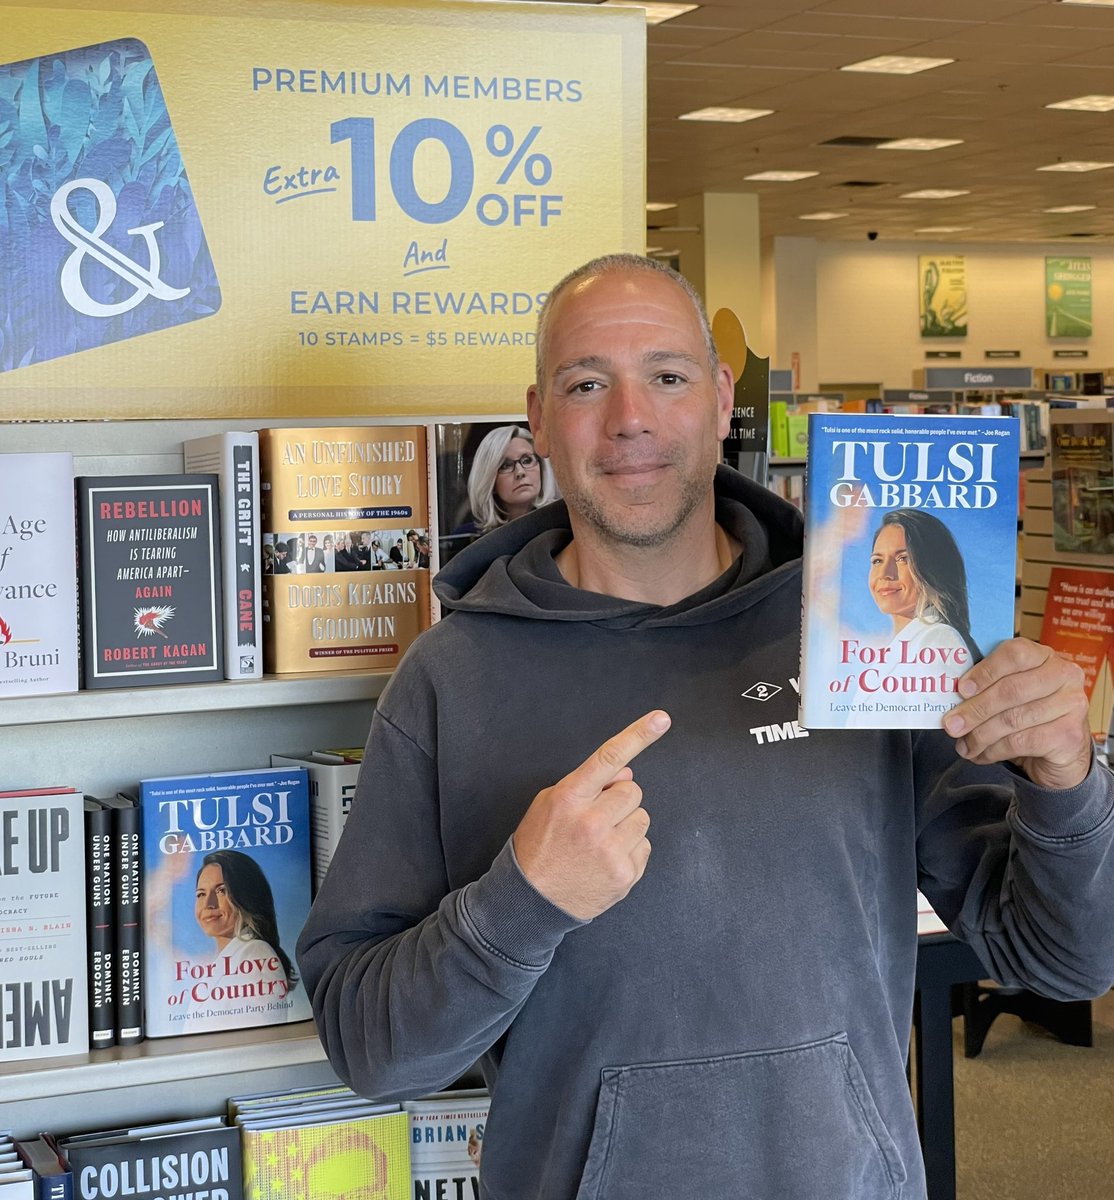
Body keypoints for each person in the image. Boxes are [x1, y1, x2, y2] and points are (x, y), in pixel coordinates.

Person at [297, 253, 1114, 1200]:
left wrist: (1066, 785)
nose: (631, 416)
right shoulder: (451, 681)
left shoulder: (857, 640)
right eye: (587, 382)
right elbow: (370, 1048)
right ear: (538, 418)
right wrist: (521, 899)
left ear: (724, 399)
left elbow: (1061, 961)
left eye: (669, 376)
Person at [458, 425, 560, 539]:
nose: (520, 472)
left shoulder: (563, 526)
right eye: (505, 465)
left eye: (527, 460)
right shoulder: (468, 537)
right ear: (490, 481)